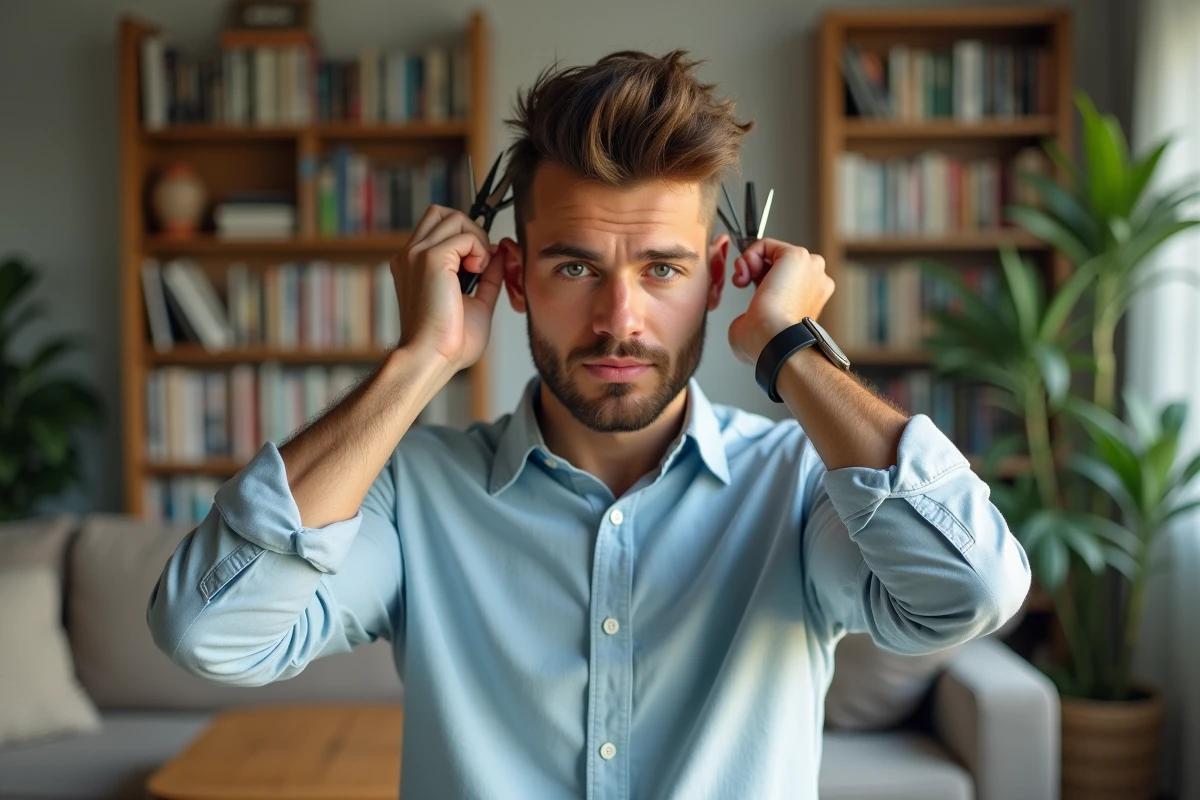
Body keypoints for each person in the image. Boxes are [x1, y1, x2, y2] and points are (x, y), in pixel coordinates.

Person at [147, 49, 1031, 799]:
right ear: (513, 274)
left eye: (662, 269)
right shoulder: (415, 493)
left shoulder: (801, 487)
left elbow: (973, 590)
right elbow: (209, 632)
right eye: (575, 267)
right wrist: (421, 361)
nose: (620, 320)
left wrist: (789, 346)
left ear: (723, 277)